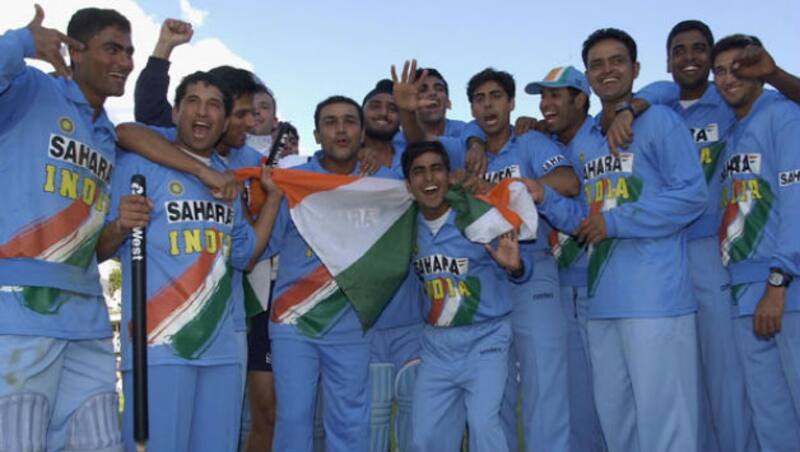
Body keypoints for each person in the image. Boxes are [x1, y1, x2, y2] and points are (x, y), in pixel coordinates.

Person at [394, 61, 580, 452]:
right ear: (471, 109)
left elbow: (568, 181)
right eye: (479, 99)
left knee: (542, 387)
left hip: (531, 271)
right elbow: (417, 152)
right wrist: (409, 112)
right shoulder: (463, 144)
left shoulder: (529, 141)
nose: (488, 105)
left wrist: (507, 190)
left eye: (496, 96)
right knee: (493, 408)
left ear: (511, 103)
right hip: (483, 284)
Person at [98, 70, 282, 451]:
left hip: (221, 351)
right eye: (193, 102)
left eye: (214, 104)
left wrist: (274, 200)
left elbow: (246, 256)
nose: (203, 112)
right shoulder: (138, 164)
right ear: (177, 111)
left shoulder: (226, 179)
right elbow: (99, 248)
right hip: (159, 347)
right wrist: (119, 225)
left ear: (224, 120)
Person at [0, 6, 133, 451]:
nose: (125, 62)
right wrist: (21, 43)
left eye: (129, 52)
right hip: (17, 313)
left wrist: (119, 225)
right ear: (75, 52)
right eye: (112, 49)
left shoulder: (105, 133)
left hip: (87, 317)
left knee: (100, 442)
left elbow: (94, 248)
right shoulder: (30, 89)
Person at [577, 28, 708, 452]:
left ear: (635, 69)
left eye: (616, 61)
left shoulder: (659, 120)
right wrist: (538, 195)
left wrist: (617, 223)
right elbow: (587, 217)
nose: (607, 70)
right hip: (602, 301)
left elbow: (692, 196)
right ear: (588, 76)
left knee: (666, 426)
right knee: (619, 425)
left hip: (656, 300)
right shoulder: (585, 140)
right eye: (597, 64)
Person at [265, 95, 396, 452]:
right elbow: (267, 244)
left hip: (351, 320)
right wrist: (271, 196)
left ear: (362, 131)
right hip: (294, 319)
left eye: (349, 121)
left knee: (351, 422)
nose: (341, 129)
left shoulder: (384, 183)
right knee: (293, 420)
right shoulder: (293, 180)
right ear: (317, 133)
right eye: (331, 122)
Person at [402, 140, 531, 452]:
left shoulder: (475, 216)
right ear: (408, 184)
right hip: (437, 347)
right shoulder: (404, 228)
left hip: (486, 340)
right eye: (418, 172)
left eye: (436, 169)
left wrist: (515, 268)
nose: (429, 178)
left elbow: (520, 271)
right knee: (424, 438)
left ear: (450, 176)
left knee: (484, 425)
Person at [713, 33, 800, 451]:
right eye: (721, 71)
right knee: (771, 418)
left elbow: (795, 200)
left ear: (760, 71)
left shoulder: (782, 115)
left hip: (784, 289)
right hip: (743, 292)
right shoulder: (733, 131)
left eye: (739, 68)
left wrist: (779, 281)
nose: (730, 78)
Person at [524, 65, 606, 452]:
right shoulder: (544, 142)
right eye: (543, 96)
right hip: (561, 286)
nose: (545, 104)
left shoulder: (604, 133)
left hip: (604, 280)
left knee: (613, 394)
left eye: (556, 95)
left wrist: (630, 107)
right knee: (574, 396)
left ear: (581, 100)